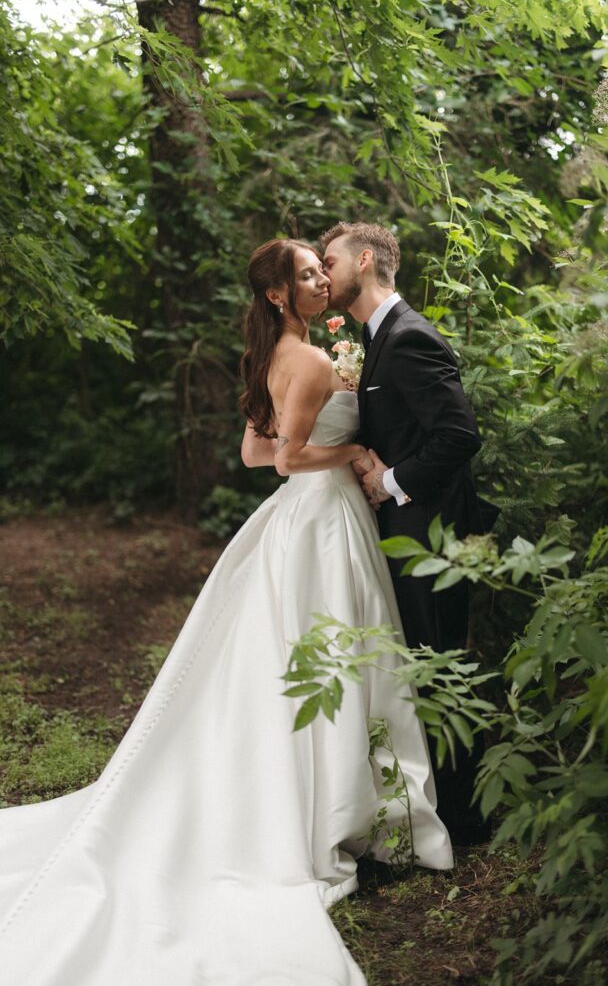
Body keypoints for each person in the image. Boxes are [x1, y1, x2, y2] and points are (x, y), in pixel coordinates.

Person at [0, 237, 453, 986]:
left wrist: (330, 448)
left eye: (321, 269)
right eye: (306, 274)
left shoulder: (278, 355)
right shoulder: (310, 361)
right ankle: (339, 805)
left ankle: (336, 793)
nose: (320, 279)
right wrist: (349, 455)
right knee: (338, 651)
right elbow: (285, 459)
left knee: (307, 657)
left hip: (303, 517)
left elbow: (252, 453)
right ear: (278, 294)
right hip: (323, 519)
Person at [320, 222, 498, 844]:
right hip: (407, 532)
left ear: (365, 260)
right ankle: (440, 806)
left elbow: (459, 435)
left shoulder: (409, 336)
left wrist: (390, 480)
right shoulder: (377, 339)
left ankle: (466, 820)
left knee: (439, 664)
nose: (323, 272)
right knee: (422, 663)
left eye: (330, 260)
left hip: (432, 537)